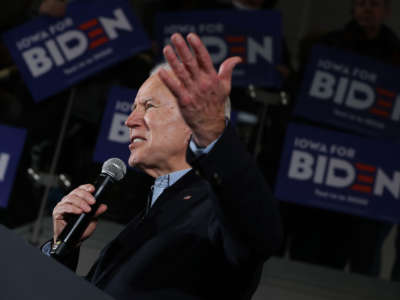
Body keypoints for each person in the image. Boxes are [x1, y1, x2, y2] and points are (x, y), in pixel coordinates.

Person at [41, 32, 283, 300]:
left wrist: (214, 136)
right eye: (133, 107)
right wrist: (62, 247)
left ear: (194, 118)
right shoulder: (148, 214)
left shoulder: (216, 208)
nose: (129, 120)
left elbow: (260, 234)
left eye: (148, 106)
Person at [289, 0, 400, 277]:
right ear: (352, 8)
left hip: (375, 165)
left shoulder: (397, 54)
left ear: (386, 10)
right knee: (318, 239)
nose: (367, 9)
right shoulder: (327, 45)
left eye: (374, 4)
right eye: (361, 3)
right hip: (328, 157)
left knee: (365, 248)